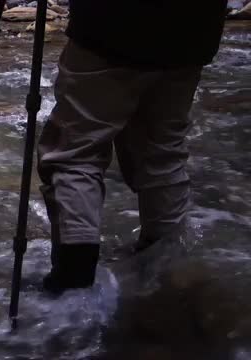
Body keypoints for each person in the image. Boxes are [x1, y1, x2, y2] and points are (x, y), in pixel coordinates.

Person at [37, 0, 229, 293]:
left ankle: (73, 286)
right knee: (163, 153)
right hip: (193, 31)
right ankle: (168, 278)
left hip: (109, 27)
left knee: (75, 154)